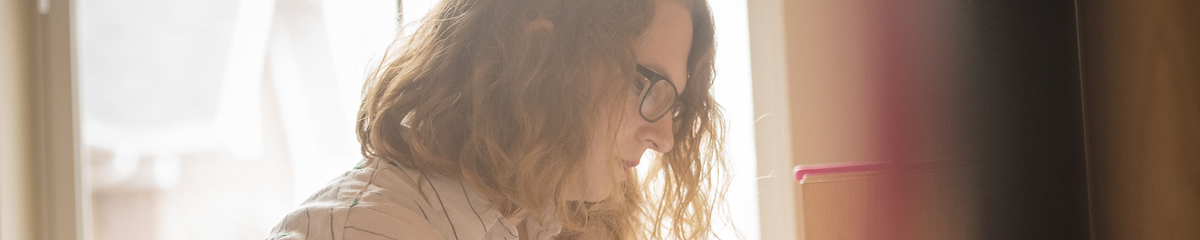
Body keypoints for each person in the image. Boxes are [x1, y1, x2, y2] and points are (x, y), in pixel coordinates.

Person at [266, 0, 725, 238]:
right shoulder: (368, 231)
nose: (664, 137)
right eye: (645, 86)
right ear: (540, 56)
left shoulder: (555, 218)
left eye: (675, 104)